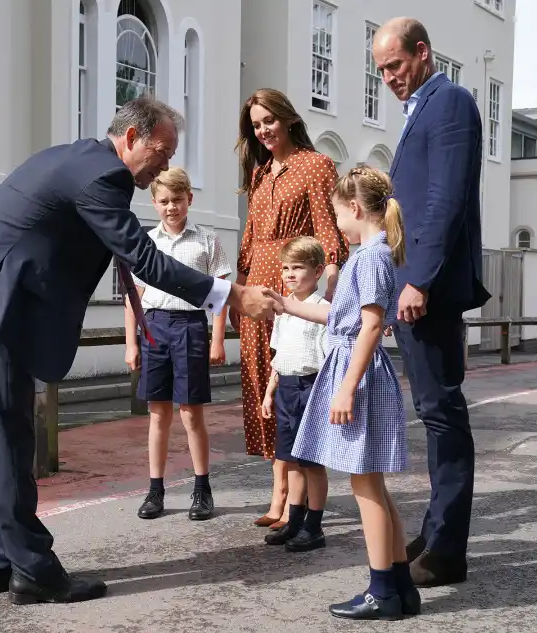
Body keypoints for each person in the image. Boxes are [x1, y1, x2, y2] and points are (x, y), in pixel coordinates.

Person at [0, 97, 281, 606]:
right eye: (161, 152)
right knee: (5, 436)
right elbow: (145, 260)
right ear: (132, 138)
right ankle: (33, 571)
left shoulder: (79, 158)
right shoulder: (104, 177)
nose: (164, 165)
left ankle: (0, 561)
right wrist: (232, 295)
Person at [372, 18, 491, 587]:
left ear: (423, 52)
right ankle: (436, 531)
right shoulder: (423, 107)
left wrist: (416, 280)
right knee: (435, 413)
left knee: (444, 416)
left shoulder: (451, 102)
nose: (389, 78)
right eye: (381, 71)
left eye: (395, 65)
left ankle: (446, 549)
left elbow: (444, 198)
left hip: (431, 290)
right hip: (417, 286)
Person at [276, 167, 419, 620]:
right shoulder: (370, 254)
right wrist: (284, 304)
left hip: (357, 374)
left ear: (355, 209)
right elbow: (344, 322)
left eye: (338, 215)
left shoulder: (370, 257)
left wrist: (346, 389)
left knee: (365, 485)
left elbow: (372, 326)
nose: (336, 224)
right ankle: (398, 587)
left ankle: (382, 591)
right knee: (371, 484)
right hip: (353, 366)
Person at [232, 88, 349, 531]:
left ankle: (290, 496)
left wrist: (333, 285)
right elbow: (247, 242)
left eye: (268, 121)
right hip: (256, 293)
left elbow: (327, 229)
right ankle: (278, 489)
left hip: (292, 290)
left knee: (293, 387)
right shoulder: (261, 174)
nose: (263, 130)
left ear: (286, 117)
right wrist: (237, 292)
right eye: (256, 125)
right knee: (265, 388)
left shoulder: (315, 165)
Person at [123, 167, 232, 522]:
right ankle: (155, 490)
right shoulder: (147, 242)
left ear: (190, 199)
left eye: (178, 200)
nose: (172, 207)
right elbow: (133, 299)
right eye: (164, 201)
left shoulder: (206, 240)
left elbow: (220, 294)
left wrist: (218, 339)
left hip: (190, 327)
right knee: (158, 412)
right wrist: (132, 343)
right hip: (154, 327)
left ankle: (202, 488)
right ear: (154, 203)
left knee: (190, 412)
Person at [260, 236, 330, 552]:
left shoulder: (324, 311)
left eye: (298, 268)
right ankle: (295, 521)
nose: (289, 274)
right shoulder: (283, 310)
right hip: (287, 388)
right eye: (286, 267)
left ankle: (314, 527)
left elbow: (330, 358)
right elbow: (280, 355)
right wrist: (269, 392)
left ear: (317, 272)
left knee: (311, 462)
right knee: (290, 460)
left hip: (312, 387)